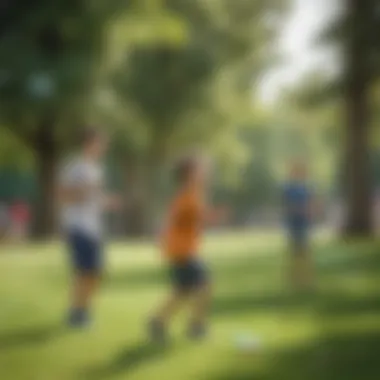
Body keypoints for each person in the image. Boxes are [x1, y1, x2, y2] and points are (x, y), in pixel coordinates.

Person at [149, 155, 227, 342]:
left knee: (184, 290)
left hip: (182, 249)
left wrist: (211, 216)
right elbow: (179, 217)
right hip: (182, 250)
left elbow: (194, 218)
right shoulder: (188, 195)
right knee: (204, 285)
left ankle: (158, 321)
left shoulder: (193, 193)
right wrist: (214, 216)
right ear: (189, 174)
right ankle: (196, 327)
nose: (205, 173)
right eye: (201, 169)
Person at [58, 128, 119, 328]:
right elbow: (63, 195)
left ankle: (81, 310)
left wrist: (108, 202)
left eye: (104, 144)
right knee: (85, 271)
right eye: (100, 143)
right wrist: (84, 191)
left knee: (96, 271)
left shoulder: (97, 169)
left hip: (94, 228)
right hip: (78, 226)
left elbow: (95, 197)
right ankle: (78, 313)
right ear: (88, 143)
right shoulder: (75, 167)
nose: (103, 147)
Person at [283, 162, 316, 290]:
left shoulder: (305, 189)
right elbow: (288, 206)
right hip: (294, 225)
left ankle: (306, 279)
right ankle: (295, 279)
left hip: (303, 224)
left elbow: (310, 205)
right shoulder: (289, 189)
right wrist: (299, 210)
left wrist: (308, 212)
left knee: (305, 252)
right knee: (295, 253)